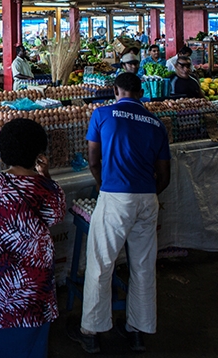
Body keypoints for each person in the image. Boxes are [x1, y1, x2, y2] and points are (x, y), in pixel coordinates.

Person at [69, 73, 171, 354]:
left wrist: (107, 188)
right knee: (142, 265)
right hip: (147, 198)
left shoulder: (102, 115)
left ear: (115, 91)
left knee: (101, 264)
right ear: (140, 92)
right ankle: (138, 331)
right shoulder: (156, 123)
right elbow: (164, 175)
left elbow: (93, 159)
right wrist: (147, 193)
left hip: (115, 196)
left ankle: (91, 331)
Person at [0, 118, 66, 358]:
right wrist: (45, 174)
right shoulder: (50, 189)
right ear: (38, 152)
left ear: (3, 150)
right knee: (32, 347)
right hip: (34, 286)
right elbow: (57, 216)